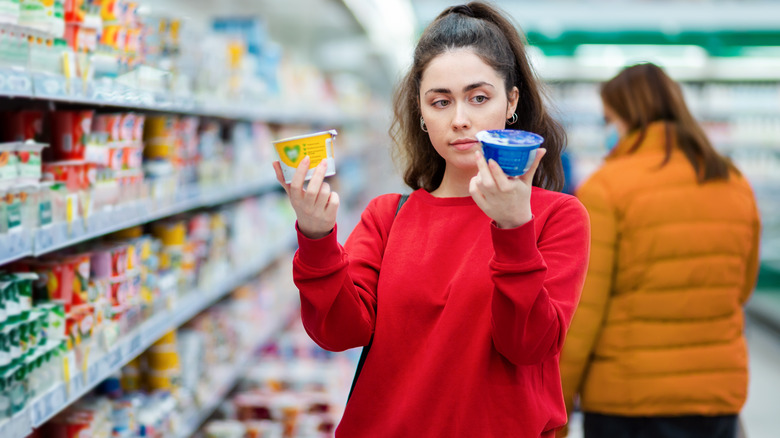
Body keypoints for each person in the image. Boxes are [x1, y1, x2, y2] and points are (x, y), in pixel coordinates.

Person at [273, 3, 590, 436]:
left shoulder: (558, 217)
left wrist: (515, 230)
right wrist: (315, 236)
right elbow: (338, 332)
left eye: (479, 98)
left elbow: (527, 346)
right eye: (440, 102)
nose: (460, 120)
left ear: (511, 100)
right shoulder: (388, 216)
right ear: (422, 113)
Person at [558, 63, 761, 438]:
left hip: (628, 400)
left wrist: (559, 406)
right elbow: (741, 288)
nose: (607, 130)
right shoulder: (733, 181)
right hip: (716, 398)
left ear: (627, 117)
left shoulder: (606, 189)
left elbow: (583, 315)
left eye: (608, 118)